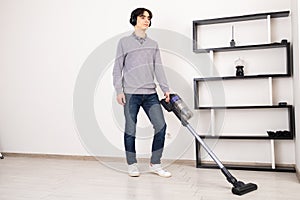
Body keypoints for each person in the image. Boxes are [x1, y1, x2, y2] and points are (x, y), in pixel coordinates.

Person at [113, 7, 171, 178]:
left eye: (149, 18)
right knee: (130, 129)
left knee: (161, 126)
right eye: (143, 17)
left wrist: (166, 89)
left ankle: (155, 162)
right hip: (130, 94)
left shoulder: (153, 44)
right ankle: (132, 164)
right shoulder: (124, 42)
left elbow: (158, 68)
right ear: (134, 19)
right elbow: (117, 69)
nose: (147, 20)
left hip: (150, 94)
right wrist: (119, 90)